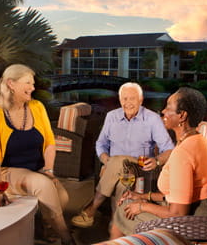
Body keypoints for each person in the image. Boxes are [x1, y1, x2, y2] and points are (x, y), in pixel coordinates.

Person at [109, 87, 207, 238]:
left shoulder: (183, 153)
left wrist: (141, 206)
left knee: (124, 211)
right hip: (203, 212)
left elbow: (178, 213)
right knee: (129, 204)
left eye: (168, 107)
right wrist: (144, 197)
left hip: (196, 223)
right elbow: (180, 195)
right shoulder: (197, 140)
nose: (163, 111)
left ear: (182, 115)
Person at [0, 64, 74, 245]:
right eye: (28, 83)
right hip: (8, 172)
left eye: (33, 83)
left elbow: (49, 142)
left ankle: (45, 227)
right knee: (43, 185)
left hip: (37, 169)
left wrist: (48, 170)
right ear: (11, 84)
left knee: (62, 198)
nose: (33, 88)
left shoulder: (37, 107)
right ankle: (67, 238)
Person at [71, 82, 174, 228]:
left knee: (119, 162)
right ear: (120, 100)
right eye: (124, 99)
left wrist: (157, 161)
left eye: (132, 98)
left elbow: (169, 150)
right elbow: (100, 144)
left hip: (140, 169)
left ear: (141, 99)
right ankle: (116, 224)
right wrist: (106, 161)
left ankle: (92, 208)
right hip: (116, 170)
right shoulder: (112, 117)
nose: (128, 103)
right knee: (120, 180)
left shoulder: (152, 119)